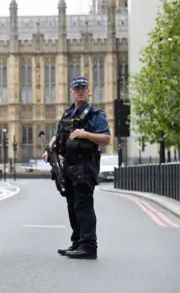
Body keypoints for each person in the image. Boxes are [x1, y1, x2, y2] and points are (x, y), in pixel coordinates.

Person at [42, 76, 111, 259]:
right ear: (71, 91)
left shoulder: (95, 114)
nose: (80, 91)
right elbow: (57, 135)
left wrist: (85, 134)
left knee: (83, 205)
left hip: (85, 165)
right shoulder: (67, 114)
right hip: (69, 166)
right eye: (77, 88)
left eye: (83, 88)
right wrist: (49, 149)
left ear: (89, 91)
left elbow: (106, 138)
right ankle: (77, 242)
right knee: (72, 205)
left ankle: (89, 246)